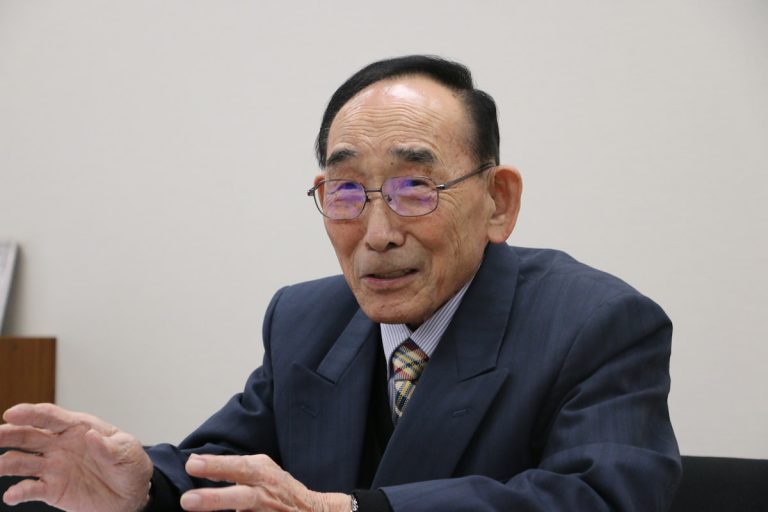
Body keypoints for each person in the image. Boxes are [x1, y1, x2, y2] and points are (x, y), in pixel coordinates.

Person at [0, 55, 681, 511]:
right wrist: (146, 485)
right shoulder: (306, 318)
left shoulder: (595, 323)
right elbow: (229, 462)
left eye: (415, 188)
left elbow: (603, 497)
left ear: (497, 201)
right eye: (347, 191)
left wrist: (352, 510)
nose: (377, 233)